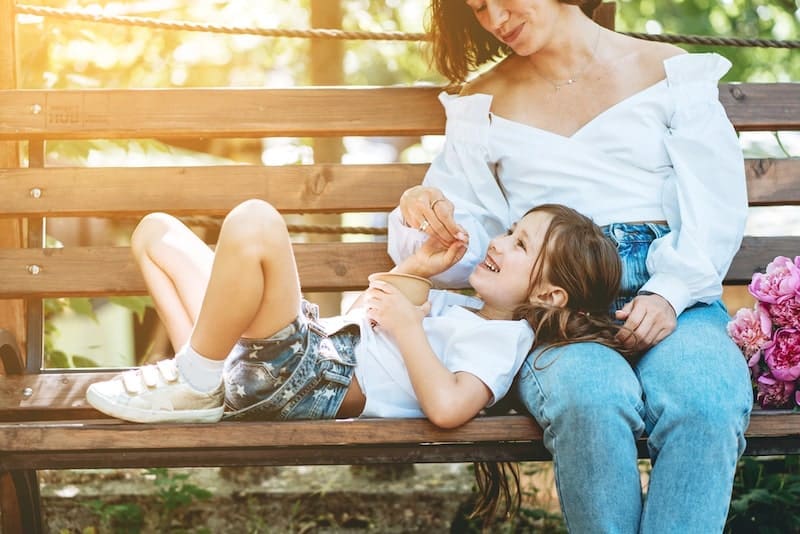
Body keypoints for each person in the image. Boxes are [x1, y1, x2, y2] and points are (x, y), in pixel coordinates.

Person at [387, 0, 753, 532]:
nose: (492, 20)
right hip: (553, 311)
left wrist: (669, 292)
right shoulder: (483, 102)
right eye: (477, 9)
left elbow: (716, 204)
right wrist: (427, 213)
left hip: (673, 291)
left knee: (706, 401)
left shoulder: (668, 72)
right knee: (589, 401)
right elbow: (468, 247)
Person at [86, 201, 625, 432]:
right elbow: (380, 304)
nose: (502, 244)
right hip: (297, 360)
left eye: (522, 246)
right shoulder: (461, 309)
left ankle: (198, 380)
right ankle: (203, 377)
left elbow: (448, 406)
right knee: (156, 233)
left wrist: (409, 328)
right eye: (511, 231)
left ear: (552, 296)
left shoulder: (503, 341)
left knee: (255, 222)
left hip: (314, 375)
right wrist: (419, 265)